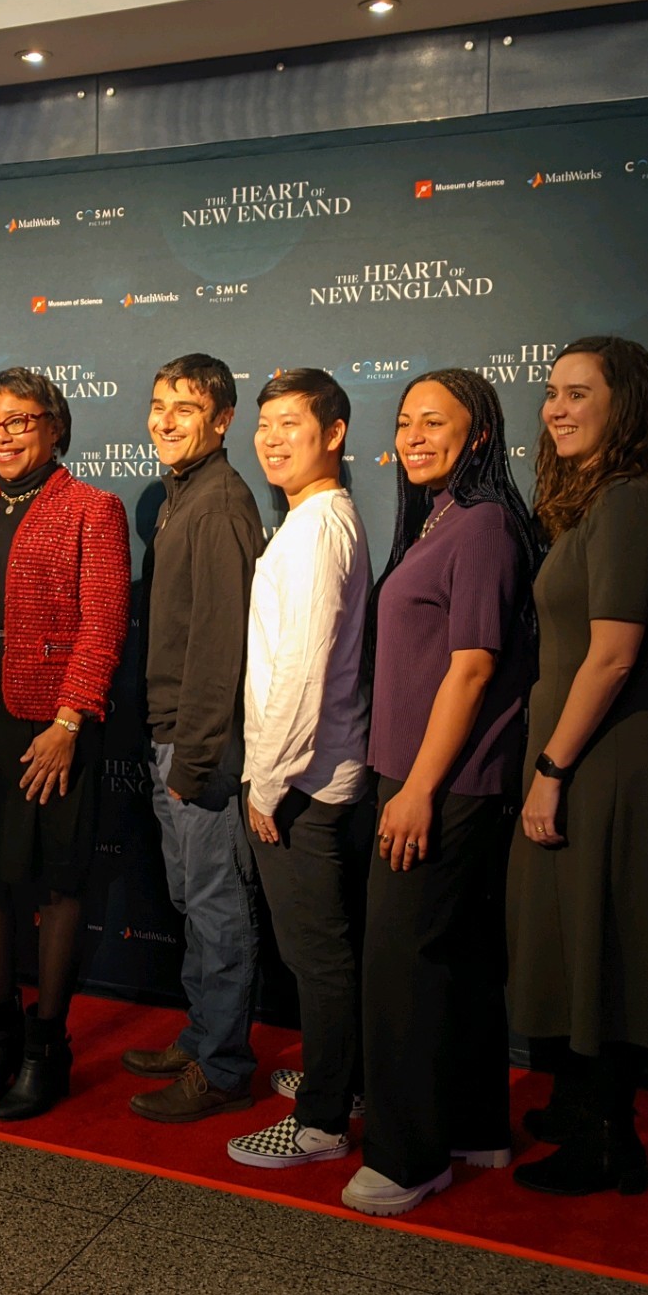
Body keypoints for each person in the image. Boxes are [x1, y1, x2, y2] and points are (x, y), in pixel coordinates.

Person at [343, 368, 539, 1217]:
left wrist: (416, 787)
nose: (415, 435)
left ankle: (405, 1157)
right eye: (405, 422)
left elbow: (473, 667)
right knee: (454, 962)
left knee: (401, 969)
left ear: (481, 434)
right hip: (428, 775)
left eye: (436, 421)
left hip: (443, 782)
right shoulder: (442, 520)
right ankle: (471, 1127)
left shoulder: (485, 526)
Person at [508, 337, 648, 1197]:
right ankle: (579, 1104)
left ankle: (608, 1140)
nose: (556, 408)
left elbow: (612, 655)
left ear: (623, 405)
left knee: (597, 940)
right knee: (570, 936)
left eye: (578, 393)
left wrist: (551, 765)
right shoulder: (593, 500)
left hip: (601, 754)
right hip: (578, 747)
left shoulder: (624, 502)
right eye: (551, 392)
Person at [0, 368, 129, 1121]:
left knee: (56, 886)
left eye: (21, 419)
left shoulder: (91, 508)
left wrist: (70, 722)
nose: (3, 433)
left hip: (50, 724)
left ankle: (49, 1046)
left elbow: (103, 624)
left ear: (55, 426)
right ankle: (0, 1040)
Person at [226, 368, 374, 1171]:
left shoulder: (318, 528)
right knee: (319, 951)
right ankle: (337, 1077)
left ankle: (321, 1120)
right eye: (266, 423)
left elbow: (305, 670)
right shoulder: (312, 518)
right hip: (306, 775)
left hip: (303, 784)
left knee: (318, 955)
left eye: (292, 423)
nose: (274, 437)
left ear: (335, 433)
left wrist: (267, 781)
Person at [125, 354, 268, 1123]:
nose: (165, 419)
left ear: (222, 420)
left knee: (216, 906)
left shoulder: (217, 503)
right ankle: (202, 1033)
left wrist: (197, 757)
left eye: (185, 407)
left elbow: (221, 647)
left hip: (198, 745)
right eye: (157, 404)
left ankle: (221, 1066)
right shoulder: (185, 493)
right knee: (192, 898)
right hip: (172, 735)